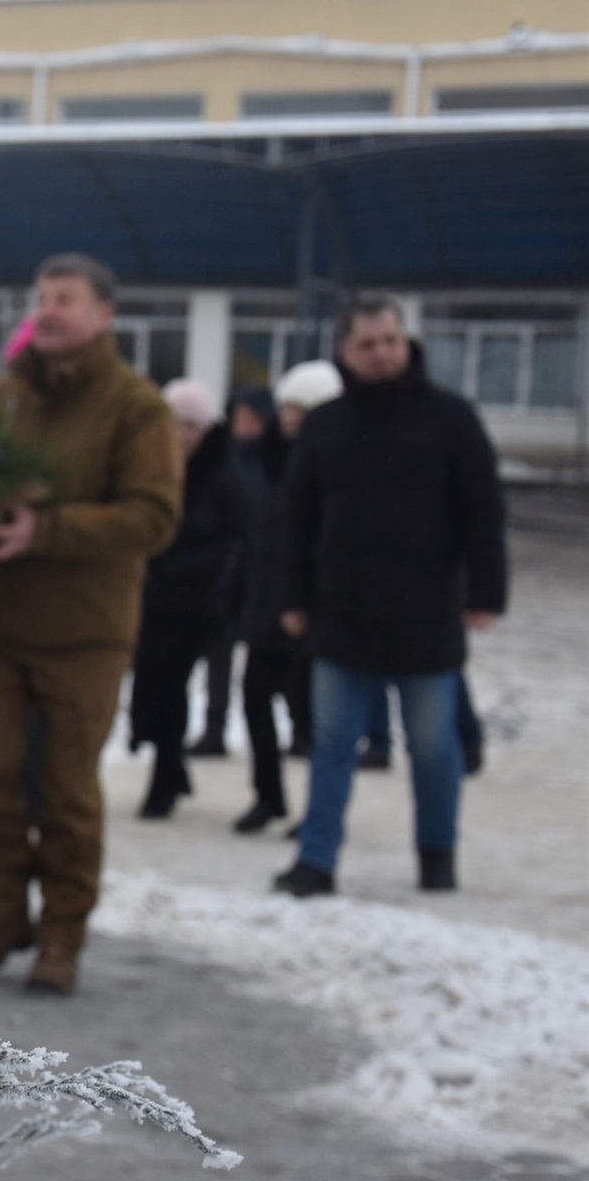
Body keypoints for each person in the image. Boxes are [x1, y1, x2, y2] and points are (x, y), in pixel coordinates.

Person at [0, 253, 181, 995]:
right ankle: (2, 913)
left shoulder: (135, 406)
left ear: (104, 315)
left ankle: (62, 935)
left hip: (86, 631)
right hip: (2, 625)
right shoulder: (3, 398)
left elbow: (153, 516)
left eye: (66, 300)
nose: (48, 311)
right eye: (41, 298)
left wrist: (43, 532)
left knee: (66, 789)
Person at [274, 298, 507, 897]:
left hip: (426, 612)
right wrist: (292, 596)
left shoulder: (450, 419)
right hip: (341, 612)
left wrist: (486, 591)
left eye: (391, 341)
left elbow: (481, 512)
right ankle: (316, 859)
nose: (382, 353)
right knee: (330, 744)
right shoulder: (327, 426)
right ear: (346, 353)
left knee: (432, 746)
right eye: (368, 344)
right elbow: (298, 520)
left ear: (406, 344)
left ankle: (437, 852)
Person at [128, 379, 244, 819]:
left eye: (192, 426)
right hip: (151, 597)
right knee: (152, 684)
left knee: (170, 686)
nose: (183, 435)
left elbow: (233, 540)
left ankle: (163, 781)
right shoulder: (151, 466)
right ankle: (171, 766)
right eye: (175, 424)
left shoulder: (222, 473)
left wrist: (182, 568)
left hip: (198, 603)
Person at [229, 361, 332, 833]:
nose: (291, 417)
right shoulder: (270, 465)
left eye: (302, 409)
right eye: (287, 407)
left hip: (315, 615)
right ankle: (267, 796)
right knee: (254, 701)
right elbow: (257, 540)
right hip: (266, 607)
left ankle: (318, 810)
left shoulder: (333, 471)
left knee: (309, 716)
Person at [188, 389, 277, 758]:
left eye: (252, 417)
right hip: (226, 571)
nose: (245, 425)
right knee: (217, 654)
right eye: (239, 416)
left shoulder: (276, 458)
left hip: (266, 572)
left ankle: (295, 729)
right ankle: (214, 728)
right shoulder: (222, 458)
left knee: (270, 657)